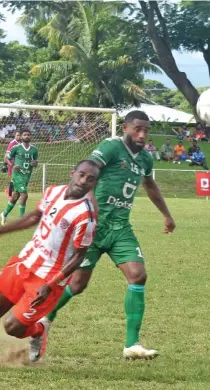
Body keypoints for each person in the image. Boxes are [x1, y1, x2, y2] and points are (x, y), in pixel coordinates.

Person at [43, 110, 176, 360]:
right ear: (125, 127)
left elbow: (150, 185)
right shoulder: (111, 147)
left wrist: (166, 215)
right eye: (137, 128)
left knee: (138, 275)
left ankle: (131, 344)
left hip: (120, 228)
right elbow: (88, 173)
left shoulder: (145, 159)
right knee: (78, 284)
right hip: (93, 227)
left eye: (146, 130)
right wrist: (86, 209)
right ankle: (46, 317)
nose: (142, 134)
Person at [0, 160, 99, 372]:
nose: (84, 181)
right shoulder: (53, 192)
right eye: (81, 175)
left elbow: (79, 256)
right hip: (25, 261)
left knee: (13, 327)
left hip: (48, 278)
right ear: (72, 173)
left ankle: (38, 331)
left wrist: (52, 283)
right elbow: (33, 218)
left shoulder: (86, 216)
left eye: (90, 179)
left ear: (94, 184)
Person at [0, 129, 38, 224]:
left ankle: (4, 214)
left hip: (27, 175)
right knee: (24, 195)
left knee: (15, 196)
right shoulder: (16, 148)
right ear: (21, 137)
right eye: (25, 134)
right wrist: (12, 165)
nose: (27, 136)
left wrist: (35, 163)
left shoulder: (34, 149)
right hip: (17, 175)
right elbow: (6, 158)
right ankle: (22, 219)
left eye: (28, 134)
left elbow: (36, 162)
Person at [1, 131, 21, 199]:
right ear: (14, 136)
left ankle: (8, 190)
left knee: (17, 179)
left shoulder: (20, 143)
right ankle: (9, 194)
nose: (19, 136)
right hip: (12, 163)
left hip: (18, 164)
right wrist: (4, 164)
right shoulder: (12, 143)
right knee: (14, 178)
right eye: (17, 135)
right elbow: (7, 154)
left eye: (19, 135)